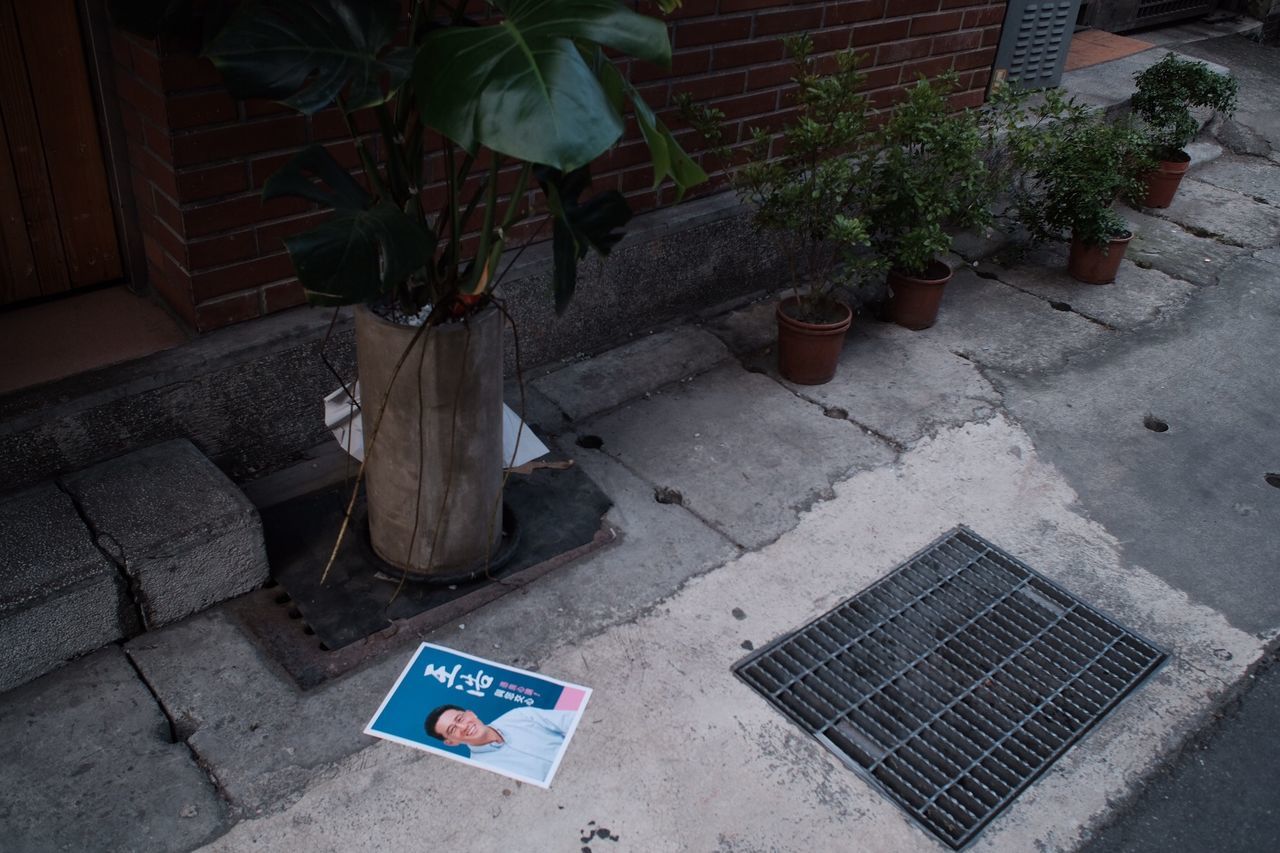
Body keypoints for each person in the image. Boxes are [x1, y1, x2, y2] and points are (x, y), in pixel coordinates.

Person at [424, 704, 577, 782]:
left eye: (460, 719)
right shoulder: (482, 773)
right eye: (452, 729)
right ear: (451, 743)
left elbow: (573, 721)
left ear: (471, 713)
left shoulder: (519, 715)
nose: (463, 727)